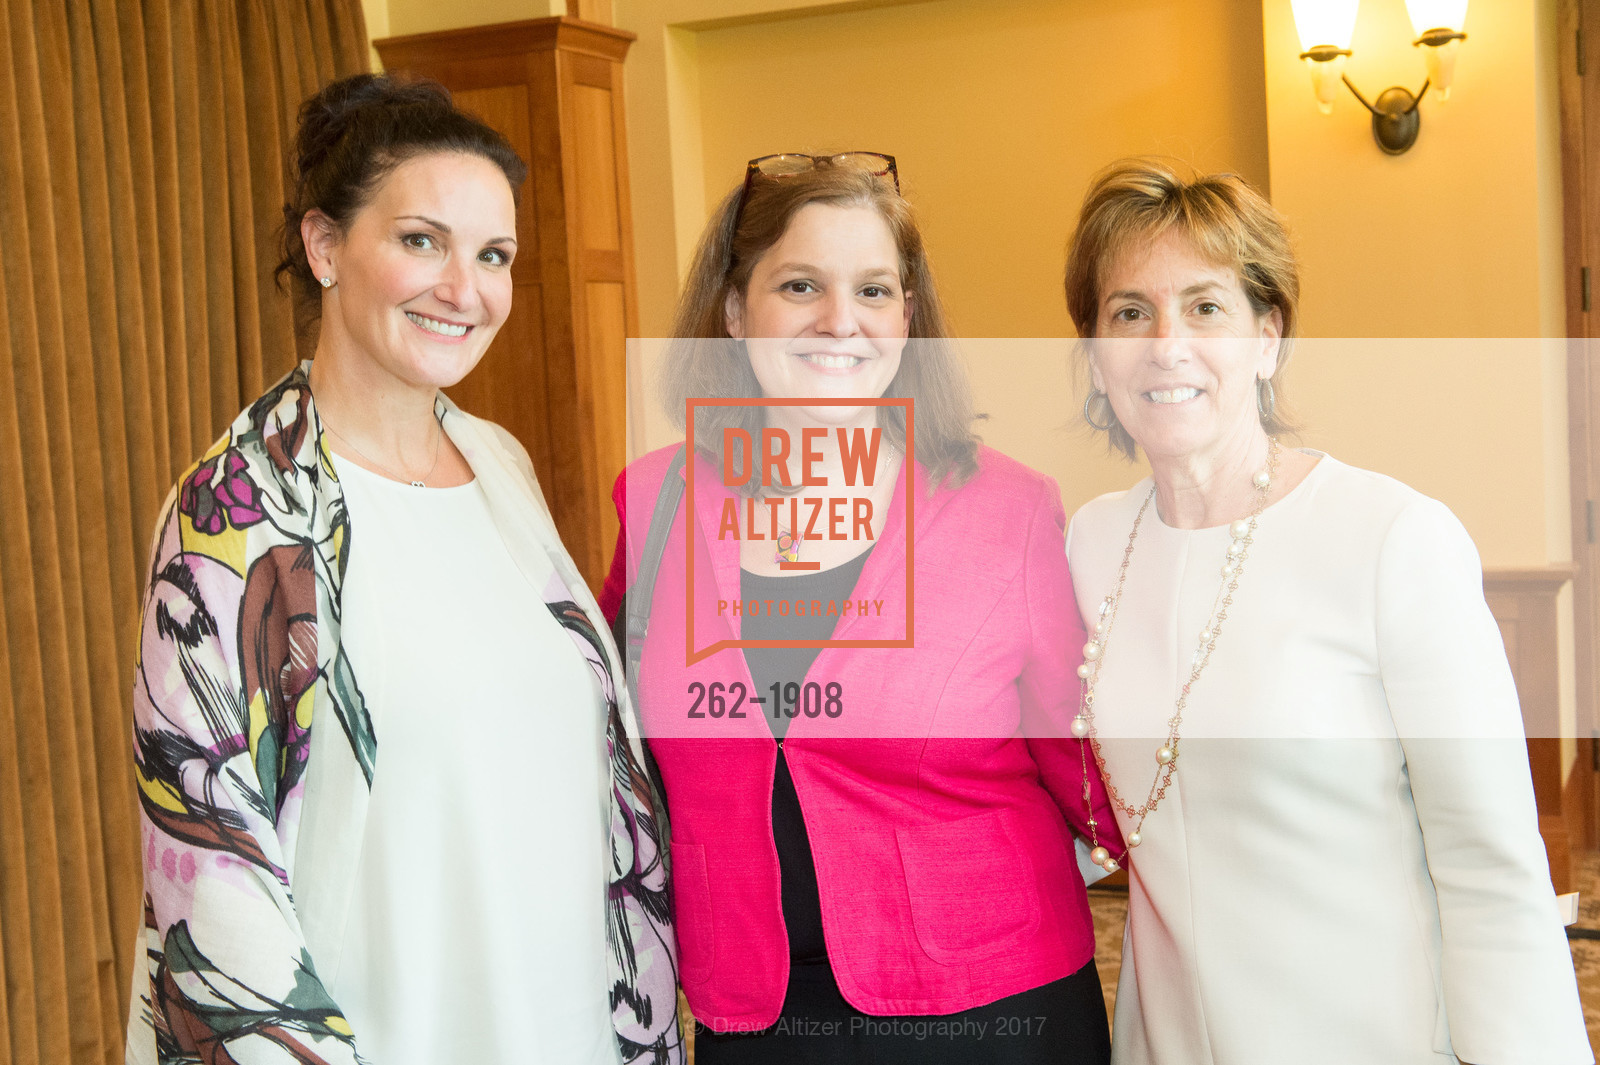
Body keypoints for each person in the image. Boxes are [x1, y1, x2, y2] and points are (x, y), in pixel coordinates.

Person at [124, 73, 680, 1065]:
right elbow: (213, 879)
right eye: (422, 240)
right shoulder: (240, 515)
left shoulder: (500, 465)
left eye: (494, 255)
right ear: (325, 245)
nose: (465, 290)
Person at [1061, 157, 1591, 1065]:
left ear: (1267, 335)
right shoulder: (1088, 544)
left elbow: (1490, 865)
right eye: (1129, 311)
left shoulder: (1392, 538)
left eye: (1206, 306)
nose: (1166, 343)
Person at [599, 153, 1123, 1065]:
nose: (840, 321)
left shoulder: (1011, 509)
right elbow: (604, 737)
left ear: (908, 319)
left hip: (991, 1011)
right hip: (754, 1013)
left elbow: (1088, 766)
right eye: (800, 284)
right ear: (734, 313)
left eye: (875, 290)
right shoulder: (651, 505)